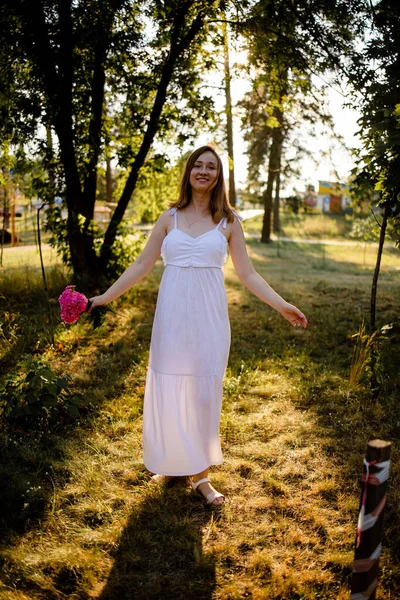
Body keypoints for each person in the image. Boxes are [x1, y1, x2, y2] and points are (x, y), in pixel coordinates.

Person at [89, 145, 307, 507]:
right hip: (172, 316)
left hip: (209, 317)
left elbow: (248, 273)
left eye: (211, 167)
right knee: (170, 383)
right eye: (198, 165)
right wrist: (104, 298)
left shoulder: (228, 221)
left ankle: (202, 477)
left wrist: (282, 305)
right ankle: (173, 461)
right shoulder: (168, 218)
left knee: (203, 393)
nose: (204, 171)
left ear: (218, 176)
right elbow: (141, 265)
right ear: (189, 172)